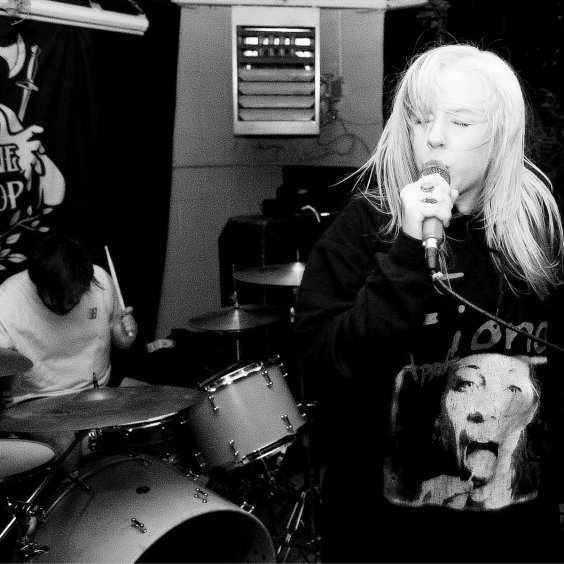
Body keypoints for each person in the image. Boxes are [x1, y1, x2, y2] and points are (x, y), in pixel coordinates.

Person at [295, 43, 564, 563]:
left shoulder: (539, 231)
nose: (434, 136)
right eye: (420, 119)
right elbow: (324, 363)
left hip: (515, 536)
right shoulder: (363, 228)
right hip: (385, 537)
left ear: (500, 135)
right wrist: (406, 254)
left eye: (460, 122)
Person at [0, 232, 137, 406]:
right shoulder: (6, 301)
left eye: (76, 295)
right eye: (59, 297)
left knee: (156, 403)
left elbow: (120, 341)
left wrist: (122, 338)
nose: (67, 303)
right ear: (37, 283)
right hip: (37, 399)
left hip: (99, 388)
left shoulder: (101, 280)